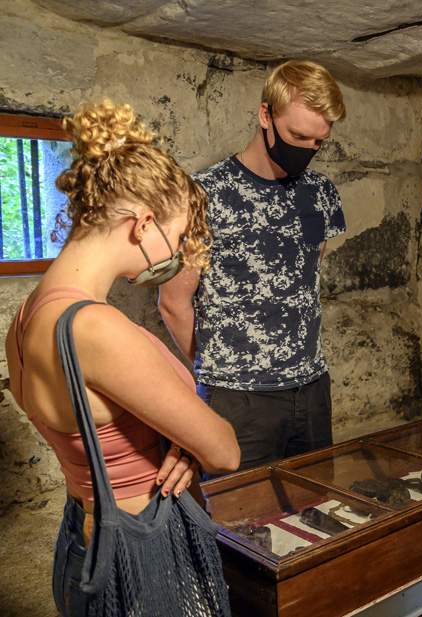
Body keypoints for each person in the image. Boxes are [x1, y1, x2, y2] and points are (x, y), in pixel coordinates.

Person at [5, 99, 241, 616]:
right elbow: (224, 451)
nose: (175, 256)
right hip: (140, 556)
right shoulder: (97, 327)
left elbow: (106, 436)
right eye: (177, 239)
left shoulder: (24, 320)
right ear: (144, 222)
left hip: (81, 540)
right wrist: (195, 440)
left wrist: (175, 440)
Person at [158, 60, 346, 476]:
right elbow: (173, 302)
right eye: (299, 135)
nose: (308, 149)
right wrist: (221, 372)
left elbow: (305, 280)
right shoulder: (205, 195)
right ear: (266, 115)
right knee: (242, 527)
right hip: (239, 400)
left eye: (319, 142)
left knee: (316, 514)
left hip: (312, 389)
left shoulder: (321, 193)